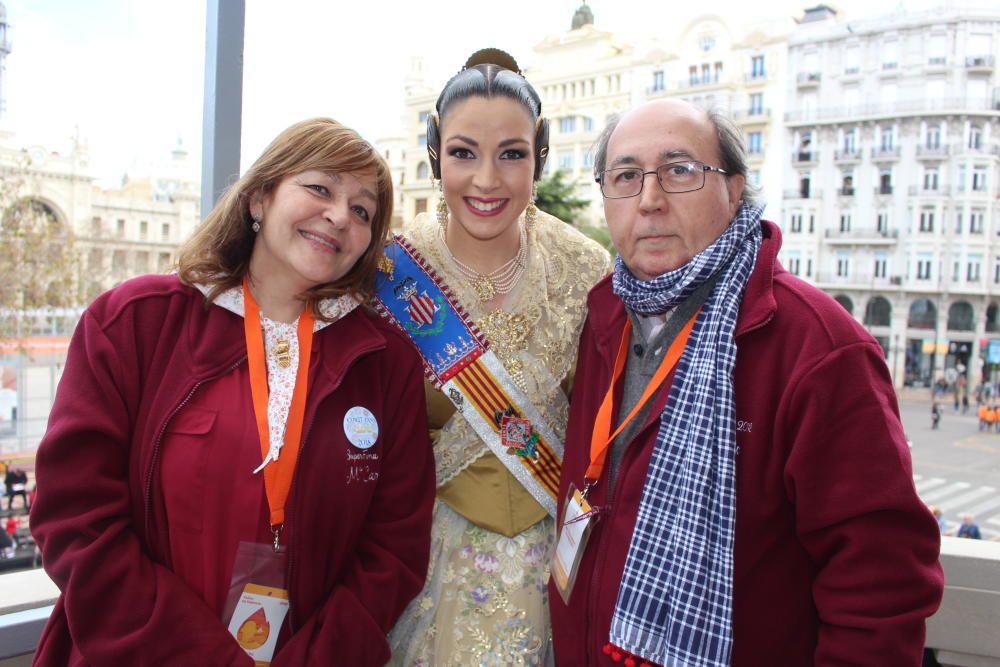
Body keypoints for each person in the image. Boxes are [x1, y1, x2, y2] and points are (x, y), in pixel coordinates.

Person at [549, 99, 943, 667]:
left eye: (680, 170)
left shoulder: (817, 346)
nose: (650, 199)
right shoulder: (601, 316)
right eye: (626, 176)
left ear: (733, 189)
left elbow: (881, 585)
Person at [29, 118, 436, 666]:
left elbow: (394, 548)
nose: (340, 215)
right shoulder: (134, 323)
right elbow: (77, 520)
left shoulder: (386, 364)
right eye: (320, 188)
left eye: (362, 210)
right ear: (260, 197)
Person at [386, 49, 610, 666]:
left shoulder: (586, 267)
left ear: (538, 155)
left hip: (555, 572)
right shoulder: (390, 273)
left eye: (511, 154)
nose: (487, 179)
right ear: (436, 154)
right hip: (420, 570)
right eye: (464, 153)